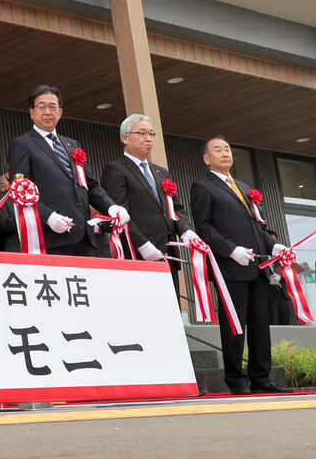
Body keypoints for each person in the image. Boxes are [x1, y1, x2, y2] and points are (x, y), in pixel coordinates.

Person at [190, 136, 288, 395]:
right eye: (217, 150)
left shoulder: (244, 187)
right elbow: (203, 227)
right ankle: (236, 379)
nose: (225, 153)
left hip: (256, 267)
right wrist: (230, 250)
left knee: (259, 324)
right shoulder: (203, 186)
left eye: (228, 149)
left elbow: (258, 225)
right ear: (206, 158)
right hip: (229, 268)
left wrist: (273, 246)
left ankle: (261, 378)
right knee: (234, 325)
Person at [7, 85, 128, 256]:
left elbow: (90, 184)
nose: (47, 112)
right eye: (41, 107)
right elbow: (20, 190)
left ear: (60, 112)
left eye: (52, 107)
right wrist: (48, 217)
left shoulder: (72, 144)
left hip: (85, 236)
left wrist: (111, 207)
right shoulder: (22, 144)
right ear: (32, 112)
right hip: (52, 235)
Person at [100, 114, 197, 296]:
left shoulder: (161, 172)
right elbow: (119, 213)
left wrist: (186, 231)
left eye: (152, 134)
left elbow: (175, 207)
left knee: (171, 310)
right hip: (137, 252)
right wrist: (143, 245)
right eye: (142, 133)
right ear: (125, 138)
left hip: (167, 252)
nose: (148, 138)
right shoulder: (116, 169)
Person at [264, 229, 293, 326]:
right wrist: (269, 278)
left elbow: (295, 272)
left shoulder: (283, 256)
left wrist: (282, 275)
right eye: (270, 241)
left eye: (274, 241)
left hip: (284, 295)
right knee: (273, 324)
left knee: (286, 324)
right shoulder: (260, 257)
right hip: (269, 296)